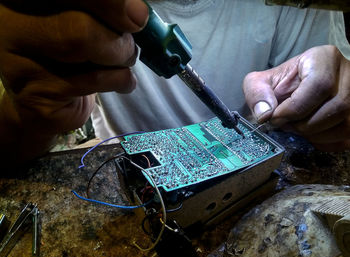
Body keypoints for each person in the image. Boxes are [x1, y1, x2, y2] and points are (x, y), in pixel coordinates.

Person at [0, 0, 350, 164]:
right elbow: (11, 151)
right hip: (130, 169)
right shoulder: (74, 14)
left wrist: (328, 97)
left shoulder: (299, 3)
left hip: (246, 164)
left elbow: (322, 105)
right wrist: (29, 115)